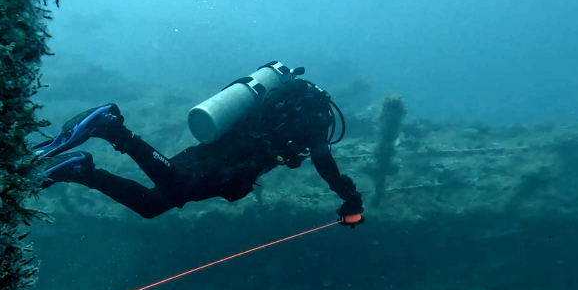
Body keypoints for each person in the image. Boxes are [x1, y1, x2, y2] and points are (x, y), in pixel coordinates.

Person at [33, 63, 365, 227]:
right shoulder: (315, 115)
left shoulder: (281, 99)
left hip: (215, 148)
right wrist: (347, 194)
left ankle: (82, 170)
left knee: (152, 205)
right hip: (234, 164)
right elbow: (322, 156)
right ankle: (112, 129)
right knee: (178, 185)